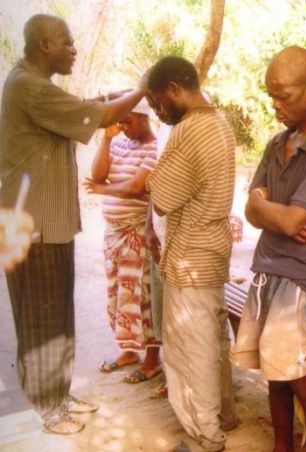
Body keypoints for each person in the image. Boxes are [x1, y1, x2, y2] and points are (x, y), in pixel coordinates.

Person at [0, 14, 148, 434]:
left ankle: (56, 395)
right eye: (66, 42)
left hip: (45, 221)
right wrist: (141, 88)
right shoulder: (26, 85)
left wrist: (115, 96)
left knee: (54, 313)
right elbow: (97, 116)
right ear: (44, 45)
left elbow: (86, 107)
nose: (73, 49)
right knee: (42, 317)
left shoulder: (34, 84)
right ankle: (47, 406)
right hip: (34, 224)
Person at [230, 46, 306, 452]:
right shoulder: (277, 141)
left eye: (284, 96)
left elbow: (297, 223)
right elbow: (251, 210)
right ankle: (283, 447)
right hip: (268, 270)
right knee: (273, 373)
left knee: (303, 379)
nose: (275, 105)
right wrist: (266, 209)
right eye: (271, 96)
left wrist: (267, 207)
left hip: (301, 277)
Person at [146, 56, 238, 451]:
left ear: (172, 89)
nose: (157, 111)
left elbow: (162, 197)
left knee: (191, 351)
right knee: (213, 343)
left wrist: (151, 180)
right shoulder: (220, 122)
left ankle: (205, 438)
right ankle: (224, 417)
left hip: (190, 259)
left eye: (156, 102)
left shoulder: (190, 129)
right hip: (211, 252)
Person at [83, 97, 161, 384]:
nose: (124, 126)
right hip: (113, 232)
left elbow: (137, 187)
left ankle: (152, 361)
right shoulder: (118, 142)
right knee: (118, 295)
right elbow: (97, 173)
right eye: (121, 121)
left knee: (142, 297)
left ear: (143, 118)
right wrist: (106, 138)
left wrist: (104, 189)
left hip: (137, 232)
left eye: (128, 121)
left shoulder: (154, 148)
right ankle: (129, 351)